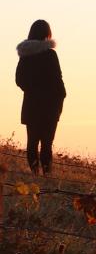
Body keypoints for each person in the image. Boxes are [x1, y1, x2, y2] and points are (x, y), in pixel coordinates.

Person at [15, 20, 66, 175]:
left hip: (31, 105)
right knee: (47, 143)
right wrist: (60, 95)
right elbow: (58, 78)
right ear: (47, 34)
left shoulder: (25, 56)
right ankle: (46, 174)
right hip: (50, 106)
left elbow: (19, 79)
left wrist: (32, 90)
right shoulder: (50, 54)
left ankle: (34, 174)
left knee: (32, 142)